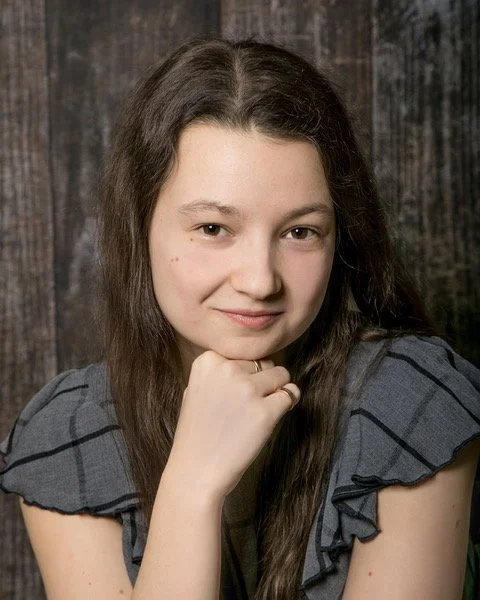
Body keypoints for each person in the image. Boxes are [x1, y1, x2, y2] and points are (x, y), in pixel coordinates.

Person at [1, 36, 479, 600]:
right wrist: (192, 487)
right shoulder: (71, 433)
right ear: (140, 229)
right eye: (213, 228)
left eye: (300, 232)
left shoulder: (411, 401)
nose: (259, 281)